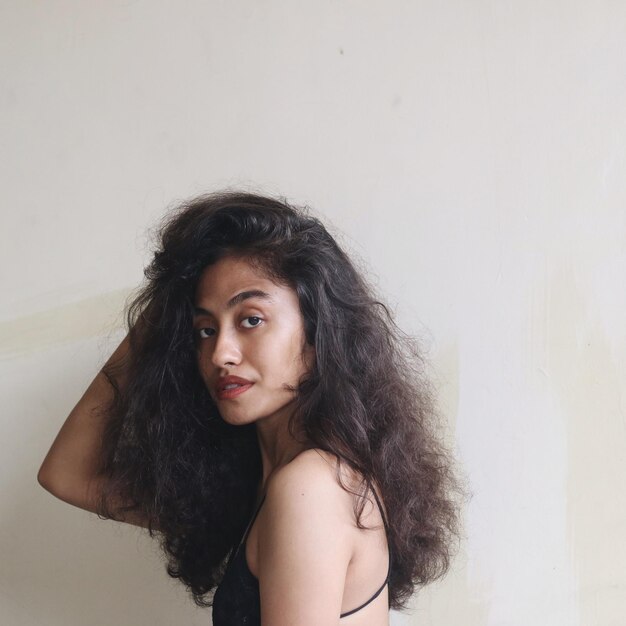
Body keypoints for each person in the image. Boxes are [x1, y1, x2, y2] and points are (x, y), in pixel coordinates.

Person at [37, 191, 464, 625]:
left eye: (251, 320)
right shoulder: (257, 488)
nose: (221, 353)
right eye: (204, 329)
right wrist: (164, 315)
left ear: (319, 335)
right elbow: (67, 475)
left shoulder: (311, 488)